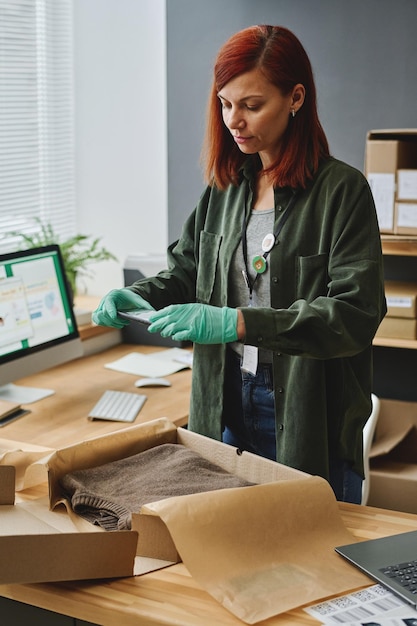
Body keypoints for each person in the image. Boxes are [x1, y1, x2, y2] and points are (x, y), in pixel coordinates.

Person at [93, 25, 386, 504]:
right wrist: (142, 295)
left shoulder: (342, 192)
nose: (234, 120)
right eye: (225, 104)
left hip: (304, 411)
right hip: (225, 402)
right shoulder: (226, 188)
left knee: (307, 564)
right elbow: (188, 269)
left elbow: (354, 315)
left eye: (251, 105)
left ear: (295, 98)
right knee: (227, 556)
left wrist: (239, 322)